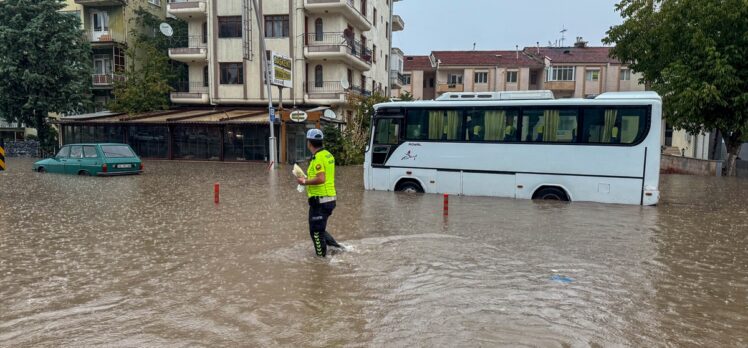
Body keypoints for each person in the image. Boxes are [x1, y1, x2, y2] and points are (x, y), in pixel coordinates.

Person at [296, 129, 342, 257]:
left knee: (316, 232)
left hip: (321, 202)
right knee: (318, 230)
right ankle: (337, 249)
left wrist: (304, 181)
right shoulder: (328, 155)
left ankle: (322, 261)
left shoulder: (317, 158)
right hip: (328, 199)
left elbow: (321, 178)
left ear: (309, 143)